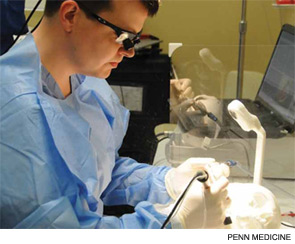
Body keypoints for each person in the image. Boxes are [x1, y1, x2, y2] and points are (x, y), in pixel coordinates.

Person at [0, 0, 229, 229]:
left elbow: (96, 172)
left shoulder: (81, 80)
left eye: (135, 40)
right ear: (70, 15)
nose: (129, 52)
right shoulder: (15, 115)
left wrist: (164, 182)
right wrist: (171, 223)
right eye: (123, 37)